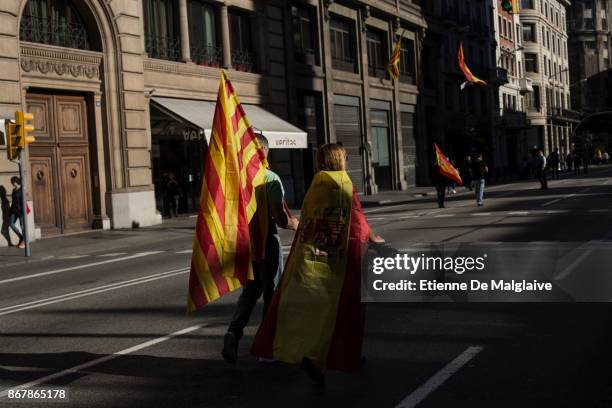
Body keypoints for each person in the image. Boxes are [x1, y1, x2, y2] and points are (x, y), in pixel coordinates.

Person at [251, 143, 384, 386]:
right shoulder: (344, 183)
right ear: (339, 160)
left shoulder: (316, 185)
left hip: (311, 257)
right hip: (338, 260)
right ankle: (340, 354)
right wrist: (374, 239)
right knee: (343, 308)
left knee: (313, 309)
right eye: (344, 156)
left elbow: (309, 221)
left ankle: (311, 353)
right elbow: (356, 220)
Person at [222, 134, 299, 364]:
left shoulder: (238, 179)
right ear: (264, 150)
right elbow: (280, 217)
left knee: (249, 292)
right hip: (267, 242)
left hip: (246, 244)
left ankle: (233, 332)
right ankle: (266, 346)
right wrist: (298, 225)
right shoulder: (270, 178)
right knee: (271, 293)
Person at [9, 176, 25, 249]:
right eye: (11, 182)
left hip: (21, 211)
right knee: (11, 224)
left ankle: (24, 241)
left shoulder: (22, 189)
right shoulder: (14, 190)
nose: (12, 183)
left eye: (12, 182)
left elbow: (23, 202)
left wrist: (23, 211)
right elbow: (13, 202)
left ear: (16, 181)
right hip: (14, 210)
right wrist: (10, 211)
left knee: (22, 226)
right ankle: (21, 237)